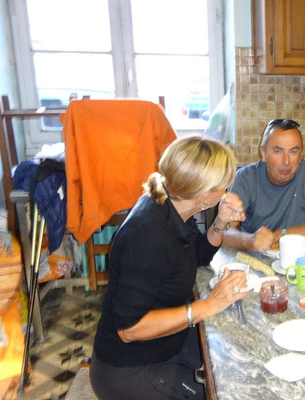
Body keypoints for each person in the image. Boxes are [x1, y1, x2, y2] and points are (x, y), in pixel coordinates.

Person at [90, 136, 249, 400]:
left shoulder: (168, 205)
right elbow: (129, 329)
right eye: (223, 185)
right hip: (129, 369)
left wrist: (220, 221)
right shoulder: (148, 235)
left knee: (229, 360)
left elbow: (196, 254)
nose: (226, 190)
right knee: (222, 391)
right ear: (203, 194)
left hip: (163, 345)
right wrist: (208, 305)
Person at [222, 119, 305, 253]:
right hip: (257, 260)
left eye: (293, 151)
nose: (286, 161)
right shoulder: (244, 178)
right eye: (278, 151)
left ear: (300, 154)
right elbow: (224, 232)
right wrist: (249, 240)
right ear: (263, 153)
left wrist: (284, 234)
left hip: (303, 259)